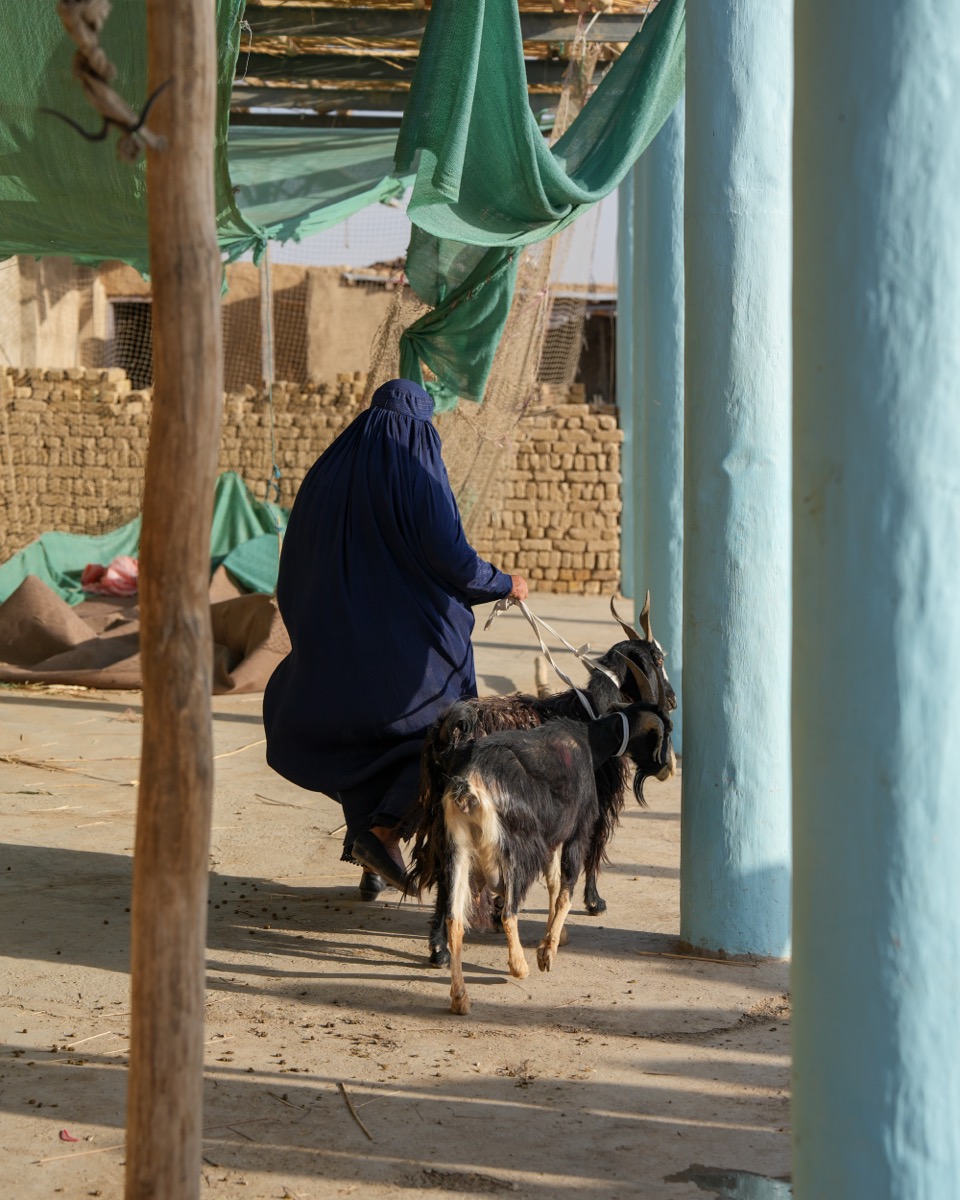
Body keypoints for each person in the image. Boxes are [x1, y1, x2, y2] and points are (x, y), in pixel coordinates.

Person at [263, 378, 528, 898]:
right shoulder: (417, 472)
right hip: (404, 654)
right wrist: (503, 583)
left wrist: (312, 630)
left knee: (368, 743)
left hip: (335, 646)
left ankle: (370, 859)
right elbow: (452, 557)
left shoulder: (326, 472)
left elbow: (293, 562)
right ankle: (383, 833)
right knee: (445, 735)